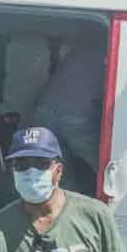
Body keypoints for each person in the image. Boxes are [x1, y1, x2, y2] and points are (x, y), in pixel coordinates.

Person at [33, 27, 107, 196]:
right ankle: (109, 204)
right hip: (76, 119)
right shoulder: (109, 56)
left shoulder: (76, 54)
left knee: (58, 169)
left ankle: (64, 207)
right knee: (106, 166)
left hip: (44, 111)